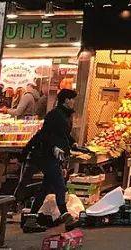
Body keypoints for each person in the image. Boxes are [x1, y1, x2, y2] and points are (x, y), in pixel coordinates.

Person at [24, 89, 85, 227]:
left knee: (45, 187)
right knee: (60, 186)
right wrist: (54, 147)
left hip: (55, 155)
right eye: (72, 99)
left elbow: (63, 134)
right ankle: (66, 216)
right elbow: (45, 134)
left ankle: (31, 219)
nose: (74, 102)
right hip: (47, 155)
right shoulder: (55, 114)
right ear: (66, 100)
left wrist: (73, 143)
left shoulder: (65, 115)